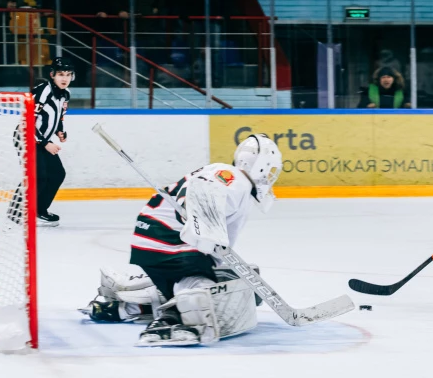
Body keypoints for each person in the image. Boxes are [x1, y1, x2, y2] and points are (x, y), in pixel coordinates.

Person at [83, 134, 283, 346]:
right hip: (168, 237)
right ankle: (176, 320)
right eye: (270, 170)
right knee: (200, 286)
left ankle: (129, 306)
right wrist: (205, 229)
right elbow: (201, 191)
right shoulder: (235, 180)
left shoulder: (228, 177)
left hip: (153, 236)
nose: (270, 177)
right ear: (259, 166)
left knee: (185, 281)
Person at [9, 57, 73, 227]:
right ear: (52, 75)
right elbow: (27, 121)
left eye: (68, 74)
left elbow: (58, 117)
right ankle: (16, 212)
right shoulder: (43, 91)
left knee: (57, 174)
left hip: (41, 140)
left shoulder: (66, 94)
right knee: (38, 176)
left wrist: (60, 131)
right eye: (61, 74)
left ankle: (39, 210)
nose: (65, 78)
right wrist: (45, 143)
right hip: (25, 137)